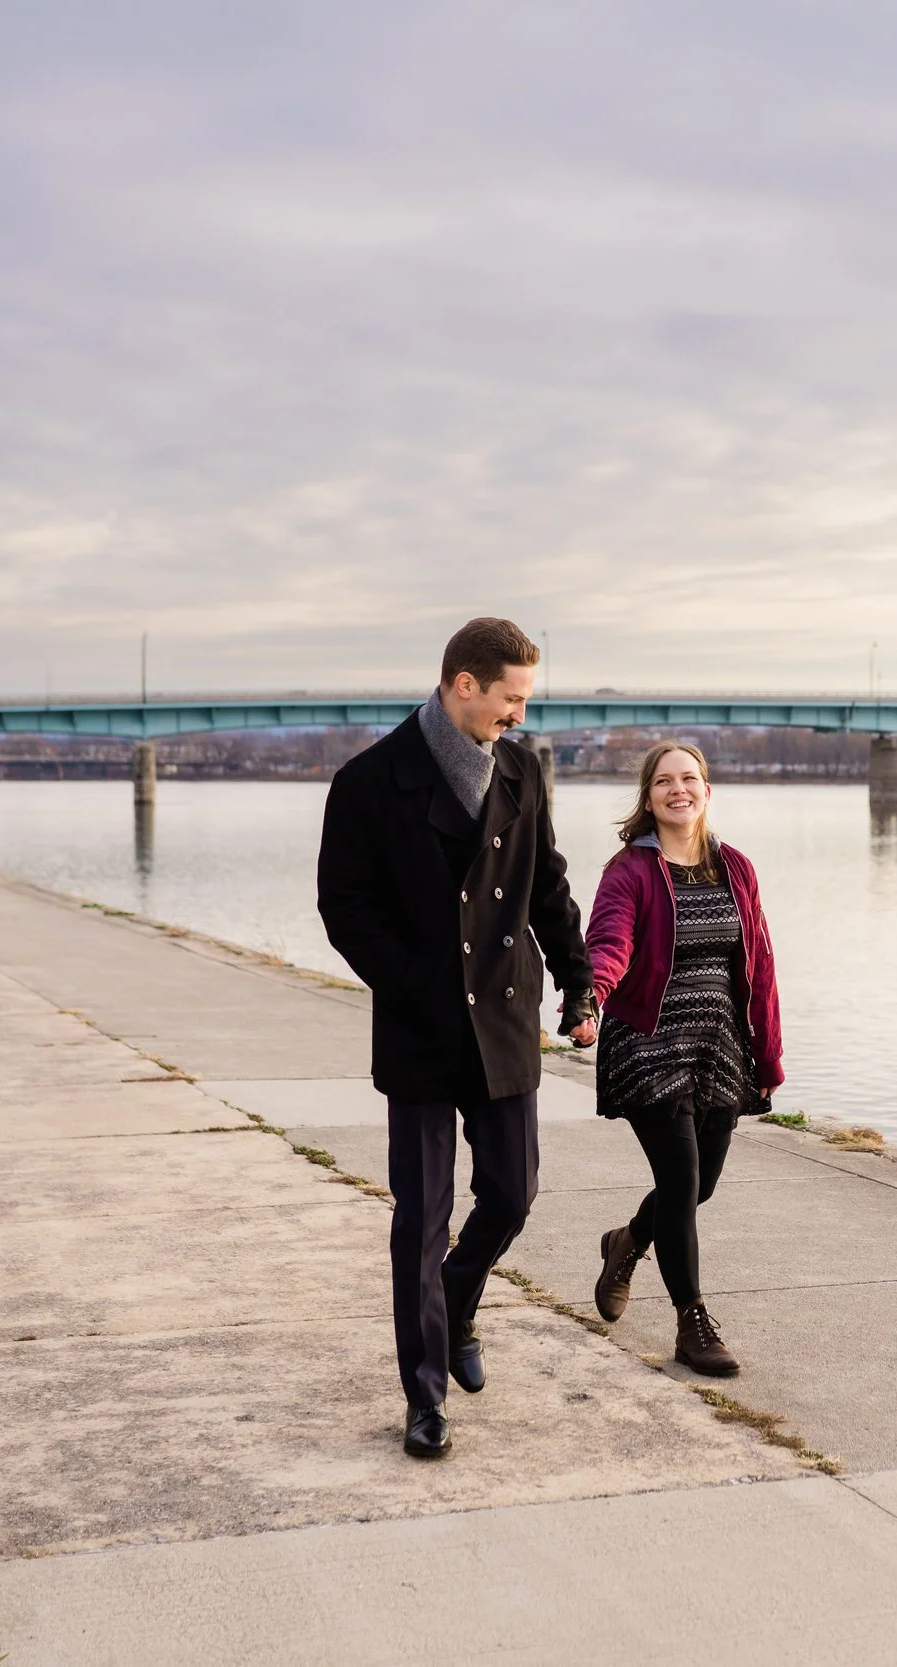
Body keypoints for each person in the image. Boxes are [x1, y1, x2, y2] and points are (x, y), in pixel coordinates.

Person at [316, 616, 596, 1460]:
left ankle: (461, 1298)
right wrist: (416, 984)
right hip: (422, 1029)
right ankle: (425, 1395)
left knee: (512, 1192)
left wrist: (579, 980)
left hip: (505, 1018)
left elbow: (548, 884)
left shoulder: (522, 768)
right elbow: (345, 908)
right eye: (511, 699)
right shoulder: (369, 780)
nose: (520, 716)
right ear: (464, 684)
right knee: (422, 1218)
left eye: (526, 702)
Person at [584, 741, 783, 1376]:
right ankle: (692, 1322)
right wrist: (592, 993)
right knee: (680, 1180)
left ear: (706, 789)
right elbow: (610, 937)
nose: (679, 789)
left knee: (700, 1186)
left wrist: (766, 1046)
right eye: (664, 781)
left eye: (689, 779)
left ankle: (627, 1241)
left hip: (718, 1043)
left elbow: (759, 963)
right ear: (648, 797)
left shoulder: (737, 869)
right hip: (647, 1040)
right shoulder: (631, 872)